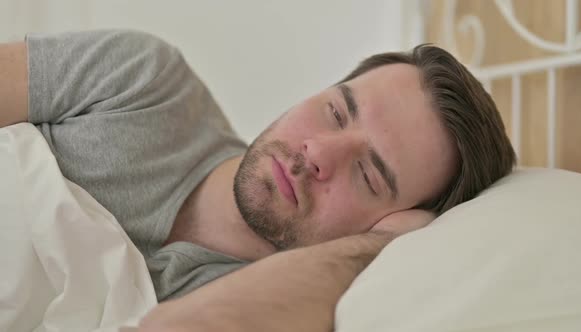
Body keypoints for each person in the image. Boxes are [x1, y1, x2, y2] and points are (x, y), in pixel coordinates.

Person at [0, 30, 515, 331]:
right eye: (337, 112)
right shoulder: (142, 79)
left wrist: (378, 249)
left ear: (397, 221)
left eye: (367, 175)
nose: (317, 153)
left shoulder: (283, 302)